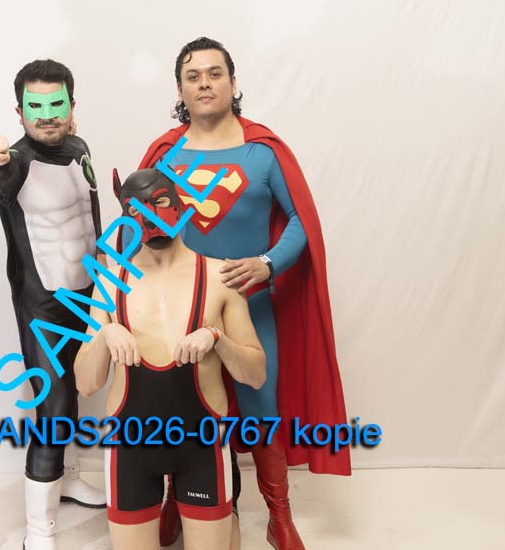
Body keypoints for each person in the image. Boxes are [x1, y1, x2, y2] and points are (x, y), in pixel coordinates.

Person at [134, 37, 351, 549]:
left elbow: (300, 221)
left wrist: (267, 263)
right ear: (180, 90)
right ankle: (177, 501)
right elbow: (138, 223)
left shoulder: (264, 152)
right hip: (182, 309)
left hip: (249, 308)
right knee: (178, 408)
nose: (205, 84)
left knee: (260, 409)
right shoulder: (166, 154)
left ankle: (279, 516)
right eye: (193, 76)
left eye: (215, 73)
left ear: (233, 82)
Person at [75, 168, 267, 550]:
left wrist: (217, 339)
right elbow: (86, 383)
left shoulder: (219, 276)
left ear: (180, 205)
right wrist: (105, 336)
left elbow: (256, 374)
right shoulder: (110, 282)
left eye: (161, 203)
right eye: (138, 211)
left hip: (202, 445)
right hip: (131, 447)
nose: (152, 218)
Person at [0, 59, 106, 550]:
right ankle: (39, 530)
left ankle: (69, 477)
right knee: (53, 408)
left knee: (78, 393)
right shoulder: (14, 163)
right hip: (43, 306)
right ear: (19, 111)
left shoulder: (80, 146)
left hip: (89, 294)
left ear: (72, 106)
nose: (48, 114)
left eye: (57, 104)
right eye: (36, 106)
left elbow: (91, 216)